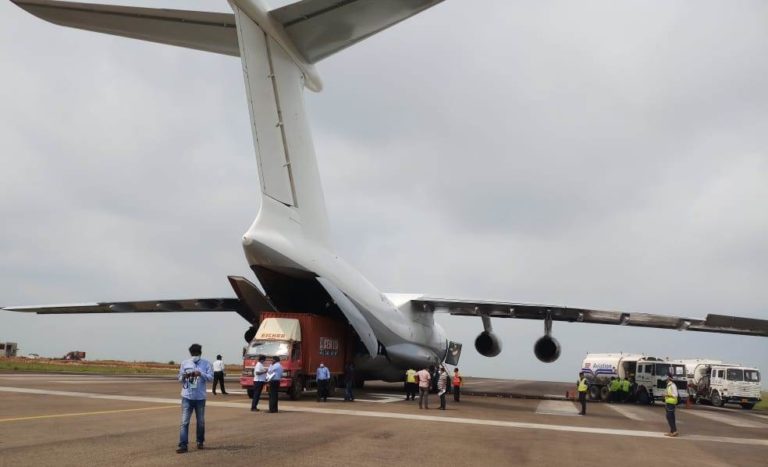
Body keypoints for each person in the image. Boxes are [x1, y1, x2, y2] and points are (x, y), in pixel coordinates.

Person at [176, 343, 213, 453]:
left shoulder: (206, 364)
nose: (194, 355)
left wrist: (200, 374)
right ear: (190, 353)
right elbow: (179, 378)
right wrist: (185, 376)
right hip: (187, 396)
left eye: (196, 353)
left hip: (200, 398)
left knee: (200, 421)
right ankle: (183, 444)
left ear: (200, 353)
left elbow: (211, 378)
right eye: (193, 353)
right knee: (184, 422)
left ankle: (200, 441)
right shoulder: (185, 363)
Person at [664, 373, 679, 437]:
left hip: (671, 403)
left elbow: (675, 394)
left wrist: (667, 395)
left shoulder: (672, 385)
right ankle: (672, 431)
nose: (665, 380)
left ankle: (674, 431)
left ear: (668, 378)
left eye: (666, 378)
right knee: (671, 417)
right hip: (668, 402)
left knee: (669, 417)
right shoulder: (669, 385)